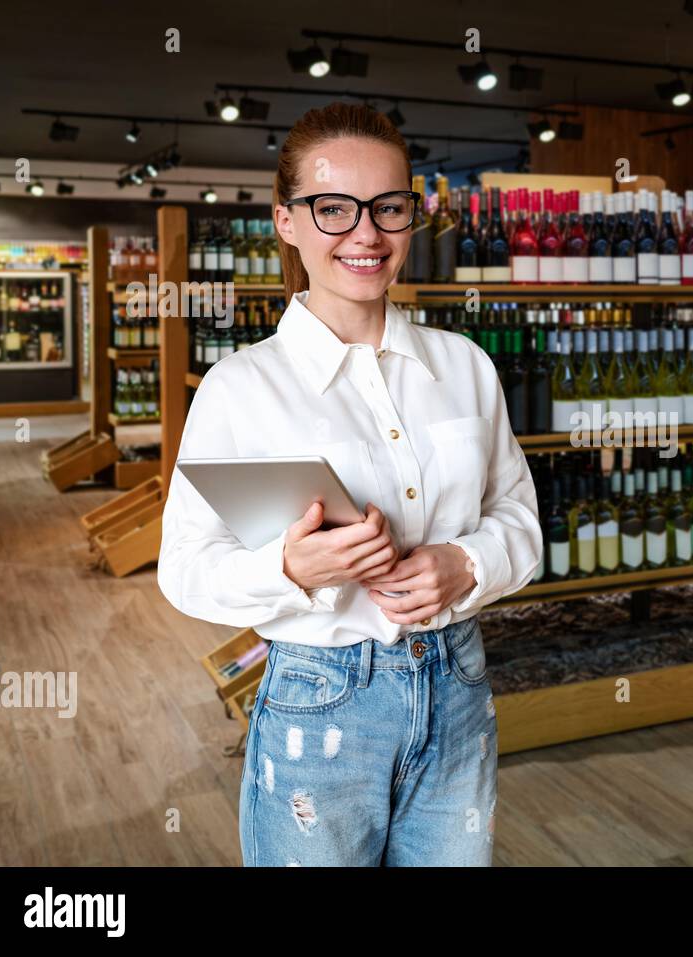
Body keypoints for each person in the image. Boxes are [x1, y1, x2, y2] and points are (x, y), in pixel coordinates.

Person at [157, 102, 541, 866]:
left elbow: (520, 518)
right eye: (333, 208)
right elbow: (184, 569)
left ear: (411, 217)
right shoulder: (240, 388)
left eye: (388, 207)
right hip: (317, 704)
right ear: (287, 222)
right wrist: (290, 569)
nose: (365, 233)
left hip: (458, 685)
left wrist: (465, 564)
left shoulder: (465, 365)